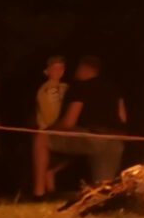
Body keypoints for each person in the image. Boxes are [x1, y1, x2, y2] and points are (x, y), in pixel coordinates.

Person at [49, 55, 127, 193]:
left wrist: (51, 128)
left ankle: (44, 188)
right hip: (114, 140)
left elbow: (69, 122)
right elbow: (123, 118)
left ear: (83, 68)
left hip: (90, 137)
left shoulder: (80, 88)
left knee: (41, 139)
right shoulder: (113, 89)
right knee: (103, 188)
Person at [29, 55, 70, 199]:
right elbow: (49, 112)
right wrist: (56, 126)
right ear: (47, 71)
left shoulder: (65, 87)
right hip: (49, 129)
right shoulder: (46, 89)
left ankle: (51, 188)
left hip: (61, 128)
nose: (58, 71)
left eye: (61, 68)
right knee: (47, 159)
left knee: (59, 161)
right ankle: (45, 190)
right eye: (54, 68)